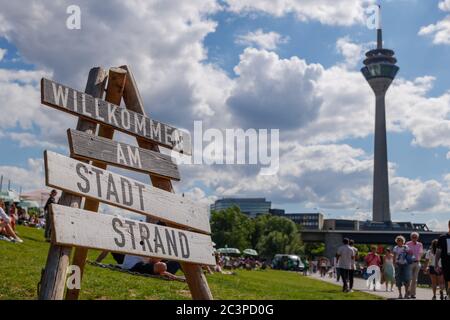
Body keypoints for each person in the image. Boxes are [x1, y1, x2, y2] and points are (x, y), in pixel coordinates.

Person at [435, 220, 450, 300]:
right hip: (446, 262)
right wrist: (436, 263)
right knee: (447, 279)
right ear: (449, 226)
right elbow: (438, 252)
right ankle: (448, 295)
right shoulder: (442, 238)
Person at [406, 232, 423, 299]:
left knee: (415, 279)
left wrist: (419, 259)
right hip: (410, 263)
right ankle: (408, 292)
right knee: (409, 278)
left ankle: (413, 294)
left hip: (417, 263)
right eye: (413, 237)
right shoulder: (407, 244)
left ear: (417, 238)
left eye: (415, 237)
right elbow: (405, 253)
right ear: (411, 237)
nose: (414, 238)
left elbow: (421, 253)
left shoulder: (420, 244)